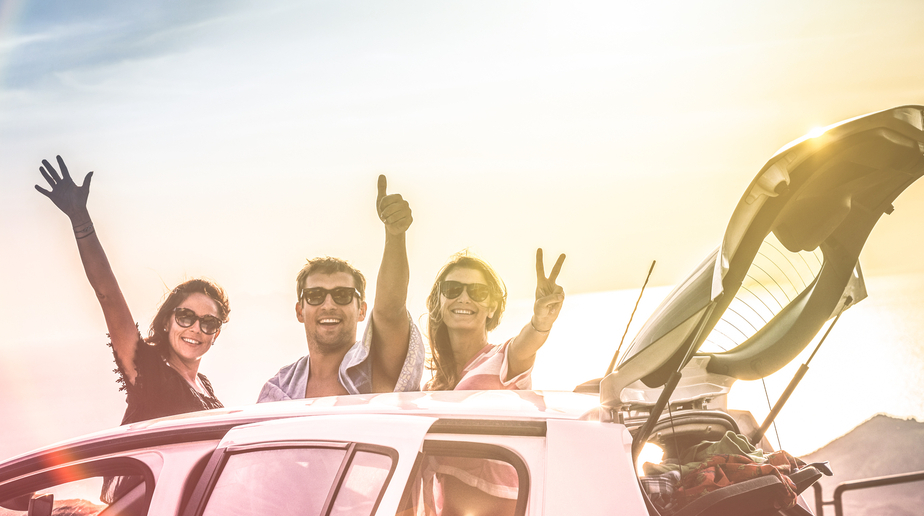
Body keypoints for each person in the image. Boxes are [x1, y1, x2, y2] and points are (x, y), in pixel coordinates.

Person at [34, 156, 230, 425]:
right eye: (186, 317)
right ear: (167, 321)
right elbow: (108, 296)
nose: (196, 328)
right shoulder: (148, 371)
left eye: (208, 322)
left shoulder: (204, 386)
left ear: (216, 333)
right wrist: (80, 219)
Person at [258, 175, 423, 401]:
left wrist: (395, 236)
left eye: (342, 295)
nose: (329, 304)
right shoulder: (279, 390)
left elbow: (390, 311)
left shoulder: (376, 372)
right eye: (315, 296)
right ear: (299, 311)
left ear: (362, 310)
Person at [424, 249, 566, 391]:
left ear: (492, 307)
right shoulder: (431, 387)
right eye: (452, 289)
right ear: (439, 301)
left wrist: (541, 322)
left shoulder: (505, 358)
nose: (464, 298)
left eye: (478, 291)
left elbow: (526, 344)